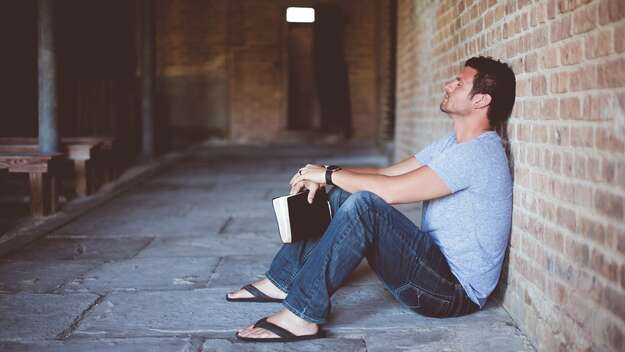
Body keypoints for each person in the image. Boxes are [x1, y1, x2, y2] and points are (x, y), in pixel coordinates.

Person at [227, 56, 516, 342]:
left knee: (365, 206)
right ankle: (283, 280)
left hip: (451, 293)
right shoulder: (453, 143)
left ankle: (301, 313)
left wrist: (327, 174)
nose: (448, 85)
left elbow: (390, 192)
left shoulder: (478, 154)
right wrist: (324, 174)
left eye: (459, 82)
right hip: (432, 266)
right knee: (345, 192)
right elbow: (384, 173)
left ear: (481, 101)